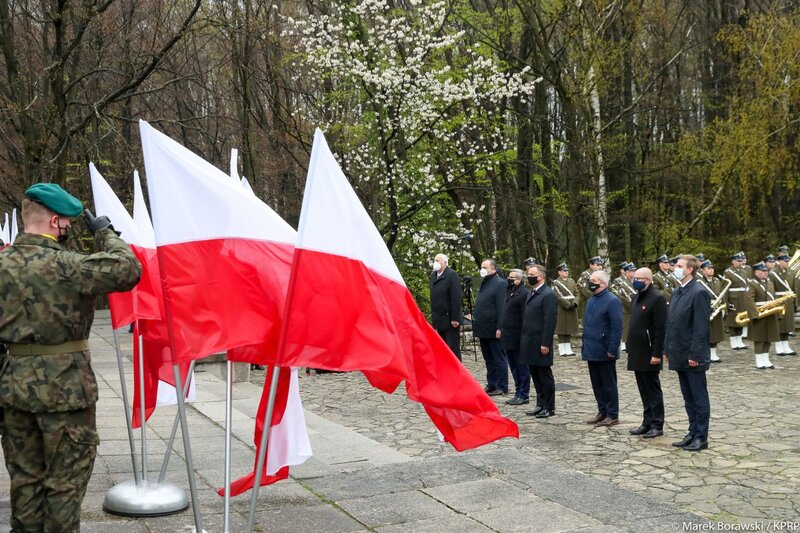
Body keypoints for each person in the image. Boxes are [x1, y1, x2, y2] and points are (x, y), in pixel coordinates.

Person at [0, 184, 142, 531]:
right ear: (55, 221)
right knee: (64, 484)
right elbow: (128, 268)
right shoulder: (68, 266)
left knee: (26, 483)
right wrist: (105, 232)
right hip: (66, 390)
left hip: (13, 389)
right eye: (67, 222)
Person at [665, 254, 711, 452]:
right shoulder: (677, 292)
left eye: (680, 265)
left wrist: (695, 354)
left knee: (698, 397)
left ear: (690, 269)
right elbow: (672, 323)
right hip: (679, 352)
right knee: (688, 397)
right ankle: (692, 432)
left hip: (693, 355)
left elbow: (701, 328)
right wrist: (667, 348)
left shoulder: (699, 292)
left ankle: (701, 436)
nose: (676, 268)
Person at [626, 268, 667, 438]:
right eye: (634, 277)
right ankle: (647, 421)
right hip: (637, 350)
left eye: (639, 278)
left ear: (648, 280)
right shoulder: (635, 297)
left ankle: (657, 424)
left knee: (652, 389)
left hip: (650, 352)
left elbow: (660, 328)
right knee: (643, 389)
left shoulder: (657, 298)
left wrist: (657, 353)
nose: (635, 280)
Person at [582, 270, 623, 427]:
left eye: (594, 280)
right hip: (592, 348)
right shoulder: (592, 300)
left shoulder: (612, 301)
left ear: (604, 283)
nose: (590, 282)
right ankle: (602, 411)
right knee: (597, 383)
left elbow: (616, 328)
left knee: (608, 383)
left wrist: (612, 348)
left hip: (605, 349)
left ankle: (612, 414)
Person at [519, 264, 558, 418]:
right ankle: (540, 404)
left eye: (531, 274)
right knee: (535, 374)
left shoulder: (547, 294)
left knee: (544, 375)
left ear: (540, 276)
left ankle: (549, 406)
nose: (529, 276)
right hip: (529, 341)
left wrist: (545, 343)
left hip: (540, 342)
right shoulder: (532, 293)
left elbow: (550, 321)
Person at [472, 258, 508, 395]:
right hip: (483, 328)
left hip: (494, 328)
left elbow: (501, 307)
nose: (482, 269)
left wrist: (500, 327)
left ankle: (502, 385)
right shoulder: (485, 282)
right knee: (489, 359)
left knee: (498, 358)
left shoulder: (499, 284)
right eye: (481, 267)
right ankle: (492, 383)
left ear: (493, 269)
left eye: (485, 267)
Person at [501, 269, 530, 405]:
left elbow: (525, 317)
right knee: (513, 366)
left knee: (521, 367)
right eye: (509, 276)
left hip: (518, 336)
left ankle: (524, 394)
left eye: (512, 277)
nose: (509, 279)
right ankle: (518, 391)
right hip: (508, 336)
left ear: (519, 280)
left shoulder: (523, 293)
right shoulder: (510, 291)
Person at [744, 262, 780, 369]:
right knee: (759, 338)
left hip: (770, 313)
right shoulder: (752, 283)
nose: (765, 273)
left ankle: (766, 358)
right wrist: (755, 315)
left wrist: (776, 312)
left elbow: (773, 298)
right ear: (756, 272)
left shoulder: (769, 282)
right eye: (763, 271)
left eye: (766, 271)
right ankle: (759, 359)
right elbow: (749, 300)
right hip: (759, 314)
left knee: (769, 337)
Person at [429, 253, 463, 360]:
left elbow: (456, 298)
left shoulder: (452, 275)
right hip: (439, 319)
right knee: (442, 349)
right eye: (435, 260)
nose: (436, 262)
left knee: (453, 348)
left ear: (445, 262)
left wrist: (455, 318)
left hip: (450, 319)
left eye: (438, 260)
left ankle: (458, 374)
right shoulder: (434, 275)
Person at [696, 260, 726, 363]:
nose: (711, 270)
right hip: (705, 308)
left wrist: (723, 307)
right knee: (706, 331)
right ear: (703, 271)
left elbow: (722, 294)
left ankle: (713, 354)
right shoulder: (699, 282)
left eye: (712, 268)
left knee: (716, 332)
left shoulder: (717, 281)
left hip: (716, 308)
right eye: (708, 268)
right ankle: (705, 353)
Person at [770, 254, 797, 356]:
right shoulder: (773, 273)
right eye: (785, 261)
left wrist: (795, 303)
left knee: (788, 324)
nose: (787, 263)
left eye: (788, 261)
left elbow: (795, 288)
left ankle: (786, 346)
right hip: (779, 300)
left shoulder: (791, 272)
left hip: (789, 301)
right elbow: (771, 289)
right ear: (779, 261)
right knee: (780, 324)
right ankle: (778, 346)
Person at [724, 252, 750, 350]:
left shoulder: (744, 271)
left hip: (743, 298)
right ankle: (733, 341)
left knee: (741, 319)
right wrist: (726, 302)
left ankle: (739, 340)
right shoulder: (728, 272)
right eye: (738, 261)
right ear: (733, 261)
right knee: (732, 320)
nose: (740, 263)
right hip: (733, 298)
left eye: (740, 261)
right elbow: (726, 288)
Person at [552, 262, 579, 356]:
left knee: (569, 328)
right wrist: (567, 305)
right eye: (564, 271)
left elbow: (577, 293)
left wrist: (575, 303)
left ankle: (568, 349)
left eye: (567, 270)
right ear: (559, 272)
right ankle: (562, 349)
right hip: (562, 307)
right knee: (562, 329)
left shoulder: (572, 281)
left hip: (572, 306)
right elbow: (557, 296)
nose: (566, 272)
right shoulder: (555, 283)